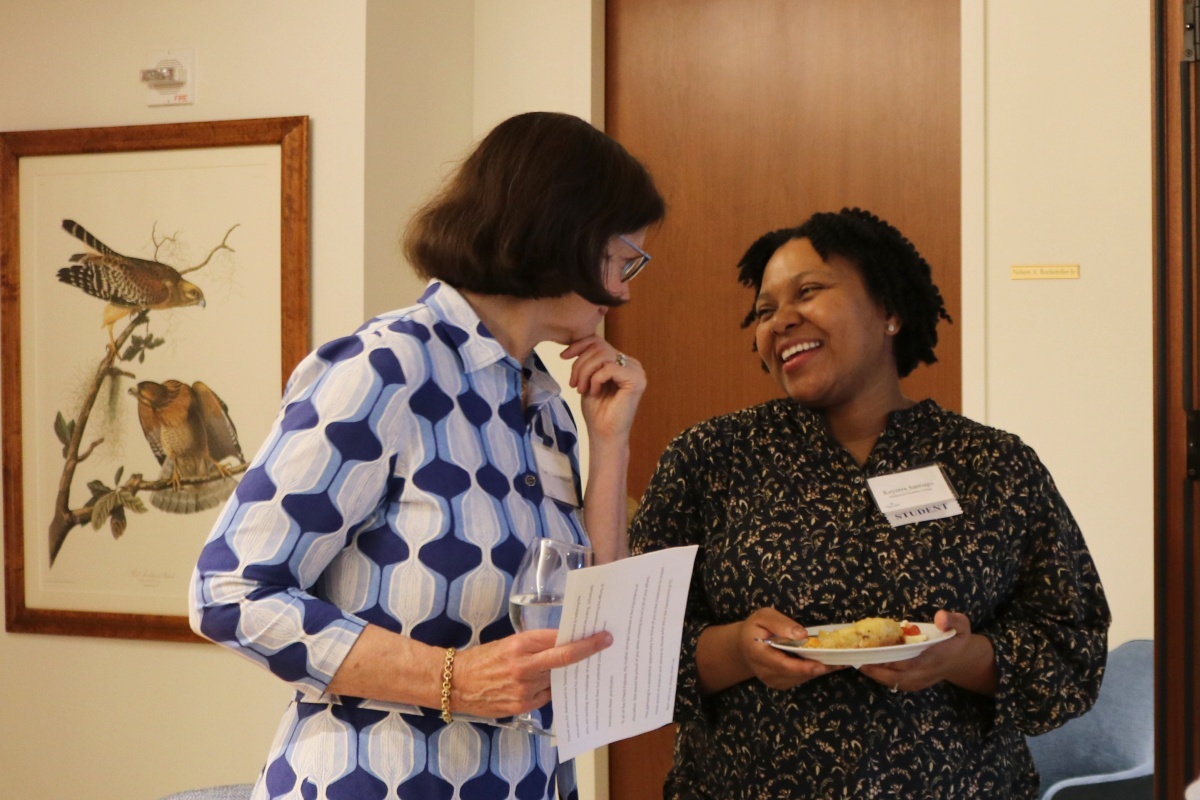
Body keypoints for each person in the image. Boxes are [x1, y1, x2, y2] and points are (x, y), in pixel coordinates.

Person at [190, 111, 664, 800]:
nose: (623, 291)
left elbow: (591, 623)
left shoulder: (545, 404)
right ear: (569, 234)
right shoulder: (386, 368)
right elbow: (229, 594)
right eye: (626, 260)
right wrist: (456, 680)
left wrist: (610, 440)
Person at [630, 208, 1110, 799]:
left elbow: (1073, 650)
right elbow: (632, 648)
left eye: (807, 291)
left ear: (888, 310)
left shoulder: (994, 465)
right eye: (763, 311)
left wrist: (959, 658)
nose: (781, 320)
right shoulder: (709, 459)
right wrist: (737, 650)